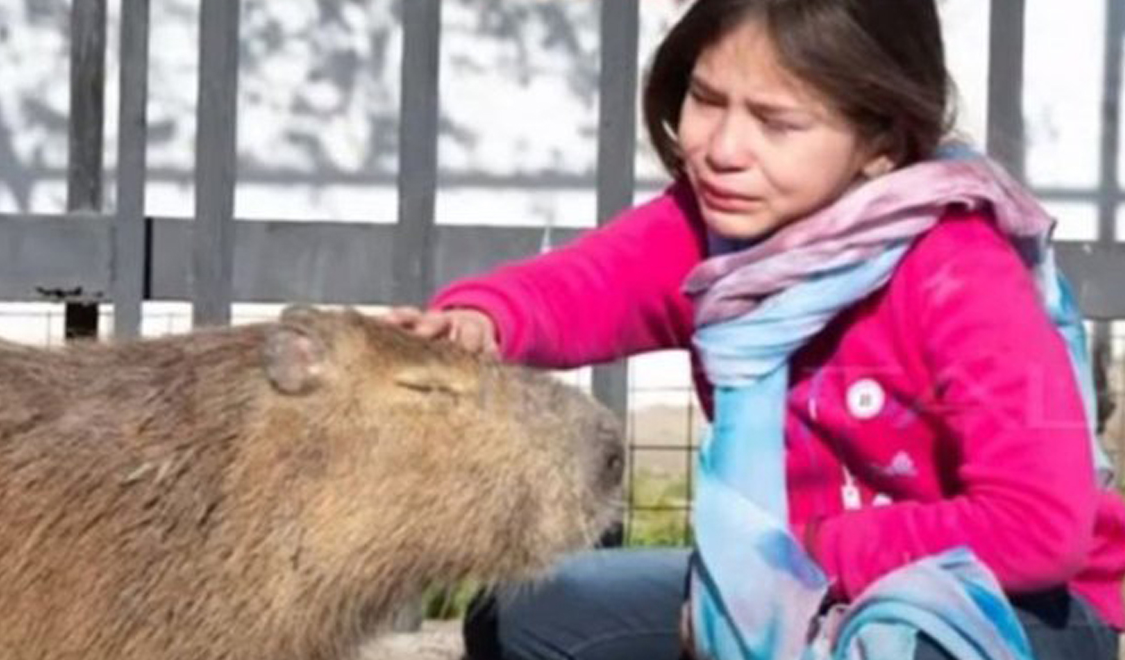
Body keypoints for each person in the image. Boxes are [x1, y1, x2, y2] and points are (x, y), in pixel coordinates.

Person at [385, 1, 1125, 658]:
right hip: (788, 578)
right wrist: (483, 321)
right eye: (707, 100)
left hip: (1014, 605)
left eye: (776, 122)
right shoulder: (713, 232)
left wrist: (792, 559)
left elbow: (1037, 527)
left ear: (883, 145)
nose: (722, 148)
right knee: (533, 615)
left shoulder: (960, 272)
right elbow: (588, 286)